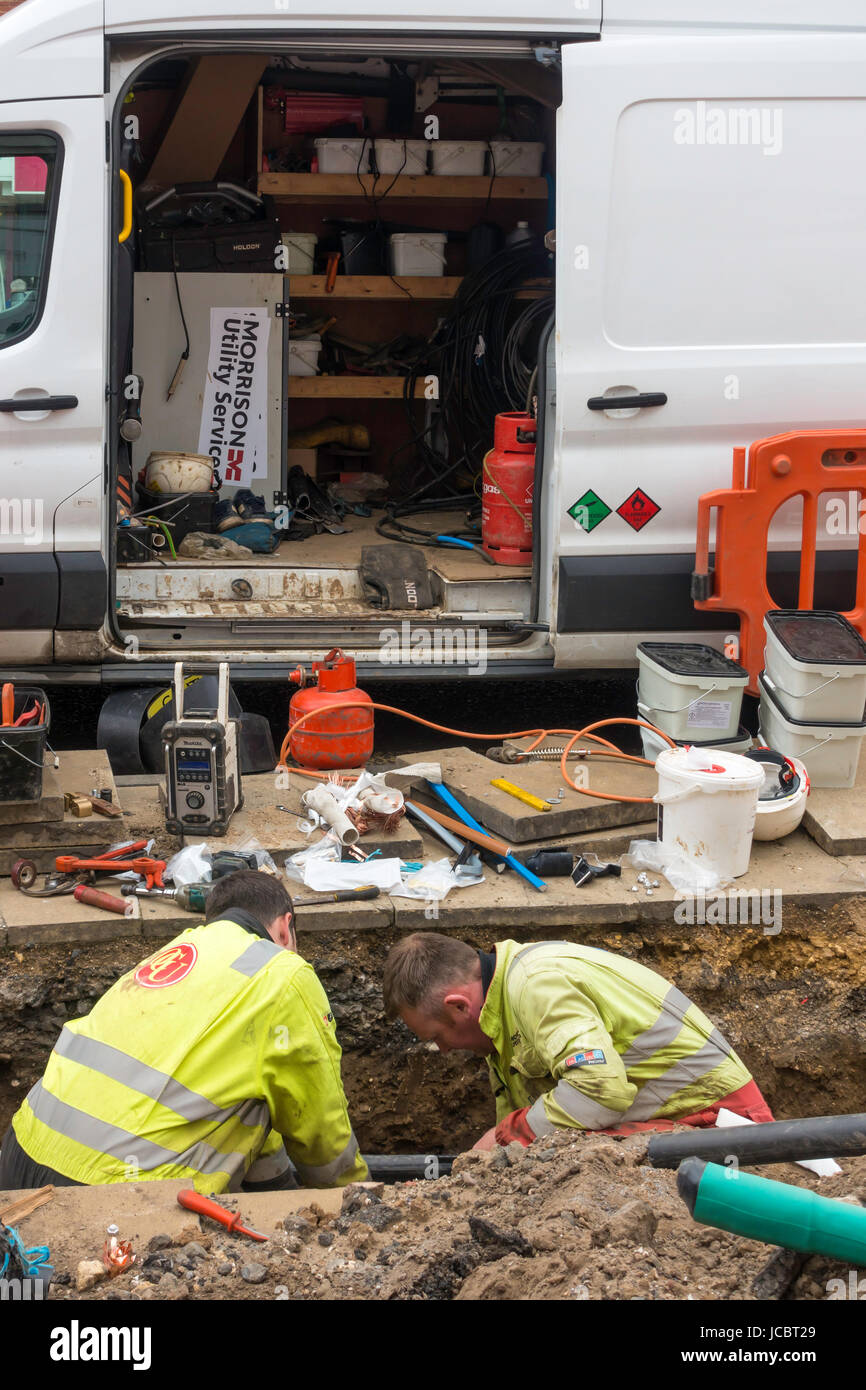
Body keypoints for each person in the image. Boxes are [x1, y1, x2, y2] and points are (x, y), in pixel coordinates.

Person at [0, 871, 367, 1192]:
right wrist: (356, 1199)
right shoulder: (284, 973)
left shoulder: (179, 950)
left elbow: (245, 1093)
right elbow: (322, 1130)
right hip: (107, 1191)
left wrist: (276, 1188)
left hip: (18, 1156)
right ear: (285, 928)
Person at [383, 933, 773, 1149]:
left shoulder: (536, 987)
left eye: (438, 1038)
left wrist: (510, 1135)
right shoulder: (498, 1012)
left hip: (722, 1125)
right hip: (677, 1119)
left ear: (457, 1007)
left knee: (577, 1160)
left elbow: (598, 1089)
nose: (446, 1050)